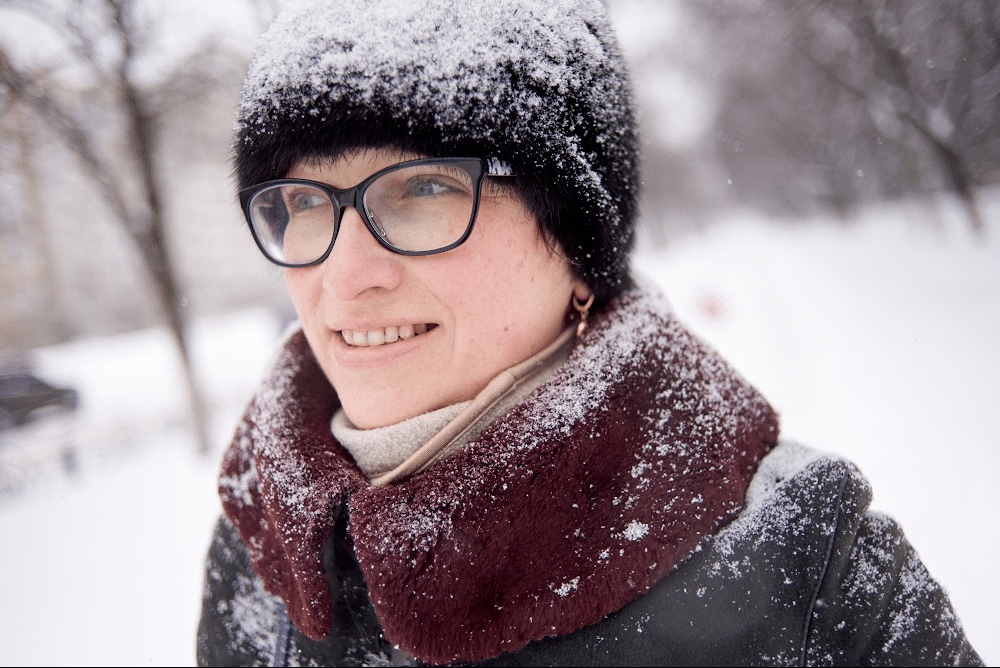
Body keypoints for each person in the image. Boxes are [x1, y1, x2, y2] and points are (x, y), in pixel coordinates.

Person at [196, 0, 983, 665]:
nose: (345, 274)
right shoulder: (261, 543)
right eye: (301, 202)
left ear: (577, 248)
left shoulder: (811, 576)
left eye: (423, 187)